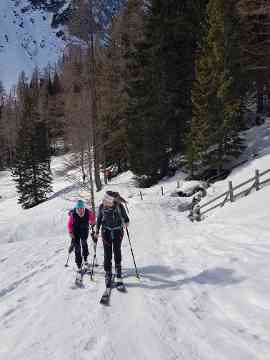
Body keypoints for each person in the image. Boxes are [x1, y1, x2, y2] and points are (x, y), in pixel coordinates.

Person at [95, 191, 129, 287]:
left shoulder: (119, 206)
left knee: (117, 251)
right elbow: (99, 220)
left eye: (107, 201)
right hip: (106, 232)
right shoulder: (102, 207)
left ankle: (118, 271)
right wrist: (97, 231)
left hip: (118, 232)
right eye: (104, 201)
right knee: (107, 253)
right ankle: (108, 272)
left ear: (112, 201)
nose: (105, 203)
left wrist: (126, 222)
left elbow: (126, 218)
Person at [67, 200, 96, 274]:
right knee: (77, 248)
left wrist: (92, 222)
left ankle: (85, 258)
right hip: (75, 232)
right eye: (78, 208)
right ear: (76, 208)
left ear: (84, 208)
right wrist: (70, 232)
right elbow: (69, 224)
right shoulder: (73, 214)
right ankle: (79, 265)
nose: (80, 210)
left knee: (84, 243)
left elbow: (93, 218)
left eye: (82, 208)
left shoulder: (88, 212)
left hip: (84, 230)